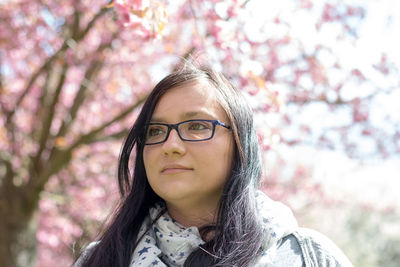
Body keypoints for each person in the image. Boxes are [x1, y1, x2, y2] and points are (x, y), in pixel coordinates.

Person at [74, 64, 353, 267]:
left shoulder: (308, 256)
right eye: (155, 131)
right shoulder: (99, 260)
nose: (170, 144)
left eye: (197, 126)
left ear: (240, 144)